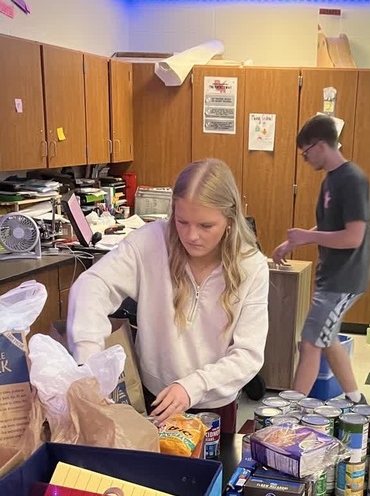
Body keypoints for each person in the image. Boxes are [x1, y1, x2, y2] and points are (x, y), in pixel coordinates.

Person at [67, 158, 269, 424]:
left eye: (206, 226)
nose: (191, 235)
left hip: (214, 404)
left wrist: (193, 386)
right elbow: (92, 285)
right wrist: (88, 361)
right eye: (182, 222)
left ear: (230, 219)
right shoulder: (150, 242)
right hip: (155, 395)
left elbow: (248, 354)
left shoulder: (251, 266)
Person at [272, 114, 370, 402]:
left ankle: (289, 411)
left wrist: (307, 236)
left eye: (305, 153)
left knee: (309, 343)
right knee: (326, 339)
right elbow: (330, 225)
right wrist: (295, 241)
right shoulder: (331, 180)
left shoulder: (353, 180)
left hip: (345, 278)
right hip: (332, 276)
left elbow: (354, 237)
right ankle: (356, 398)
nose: (305, 160)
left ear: (319, 145)